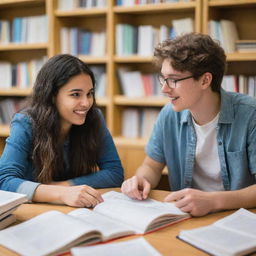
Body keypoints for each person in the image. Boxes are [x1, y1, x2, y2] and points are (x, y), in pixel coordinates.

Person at [121, 33, 256, 216]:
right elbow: (151, 166)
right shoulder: (169, 115)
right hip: (187, 216)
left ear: (205, 80)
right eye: (163, 78)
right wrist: (141, 179)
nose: (164, 89)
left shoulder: (250, 115)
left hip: (238, 218)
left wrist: (213, 201)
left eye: (173, 80)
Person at [0, 54, 123, 207]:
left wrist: (65, 186)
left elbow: (115, 172)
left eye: (89, 93)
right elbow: (4, 180)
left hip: (74, 209)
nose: (86, 103)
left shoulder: (94, 118)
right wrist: (60, 193)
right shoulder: (26, 123)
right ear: (52, 96)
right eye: (75, 94)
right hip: (32, 210)